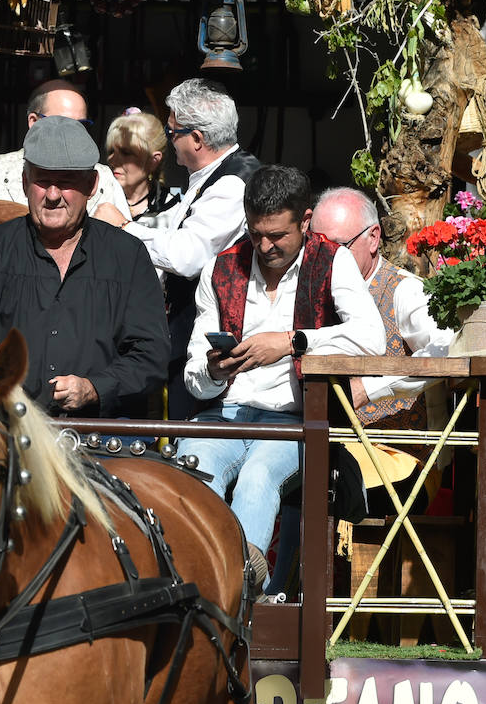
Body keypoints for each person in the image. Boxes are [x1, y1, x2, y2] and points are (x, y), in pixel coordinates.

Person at [176, 165, 383, 584]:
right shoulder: (220, 268)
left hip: (294, 419)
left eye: (277, 235)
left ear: (305, 221)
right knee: (192, 470)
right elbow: (194, 375)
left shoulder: (334, 261)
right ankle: (193, 584)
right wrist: (215, 371)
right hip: (224, 414)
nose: (265, 245)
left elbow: (371, 339)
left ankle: (239, 591)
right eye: (256, 234)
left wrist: (292, 342)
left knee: (259, 476)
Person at [0, 115, 168, 418]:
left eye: (65, 182)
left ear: (91, 185)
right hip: (10, 430)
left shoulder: (127, 256)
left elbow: (151, 357)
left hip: (101, 435)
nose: (53, 195)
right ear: (25, 182)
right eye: (42, 181)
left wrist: (94, 388)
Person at [94, 78, 261, 419]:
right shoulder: (210, 178)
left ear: (197, 139)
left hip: (213, 341)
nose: (170, 142)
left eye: (173, 134)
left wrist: (123, 228)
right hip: (186, 333)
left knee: (188, 434)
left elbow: (186, 257)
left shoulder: (232, 184)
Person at [0, 79, 130, 274]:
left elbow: (129, 262)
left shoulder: (106, 180)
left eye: (81, 126)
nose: (72, 135)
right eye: (62, 124)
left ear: (92, 184)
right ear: (34, 122)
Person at [309, 188, 455, 423]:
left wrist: (368, 389)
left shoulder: (405, 290)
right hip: (319, 443)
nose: (325, 258)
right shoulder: (308, 290)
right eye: (317, 247)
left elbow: (446, 347)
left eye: (337, 247)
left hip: (389, 450)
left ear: (374, 238)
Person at [104, 108, 170, 220]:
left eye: (126, 153)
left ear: (153, 161)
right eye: (111, 151)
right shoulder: (95, 201)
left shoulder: (172, 212)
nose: (112, 160)